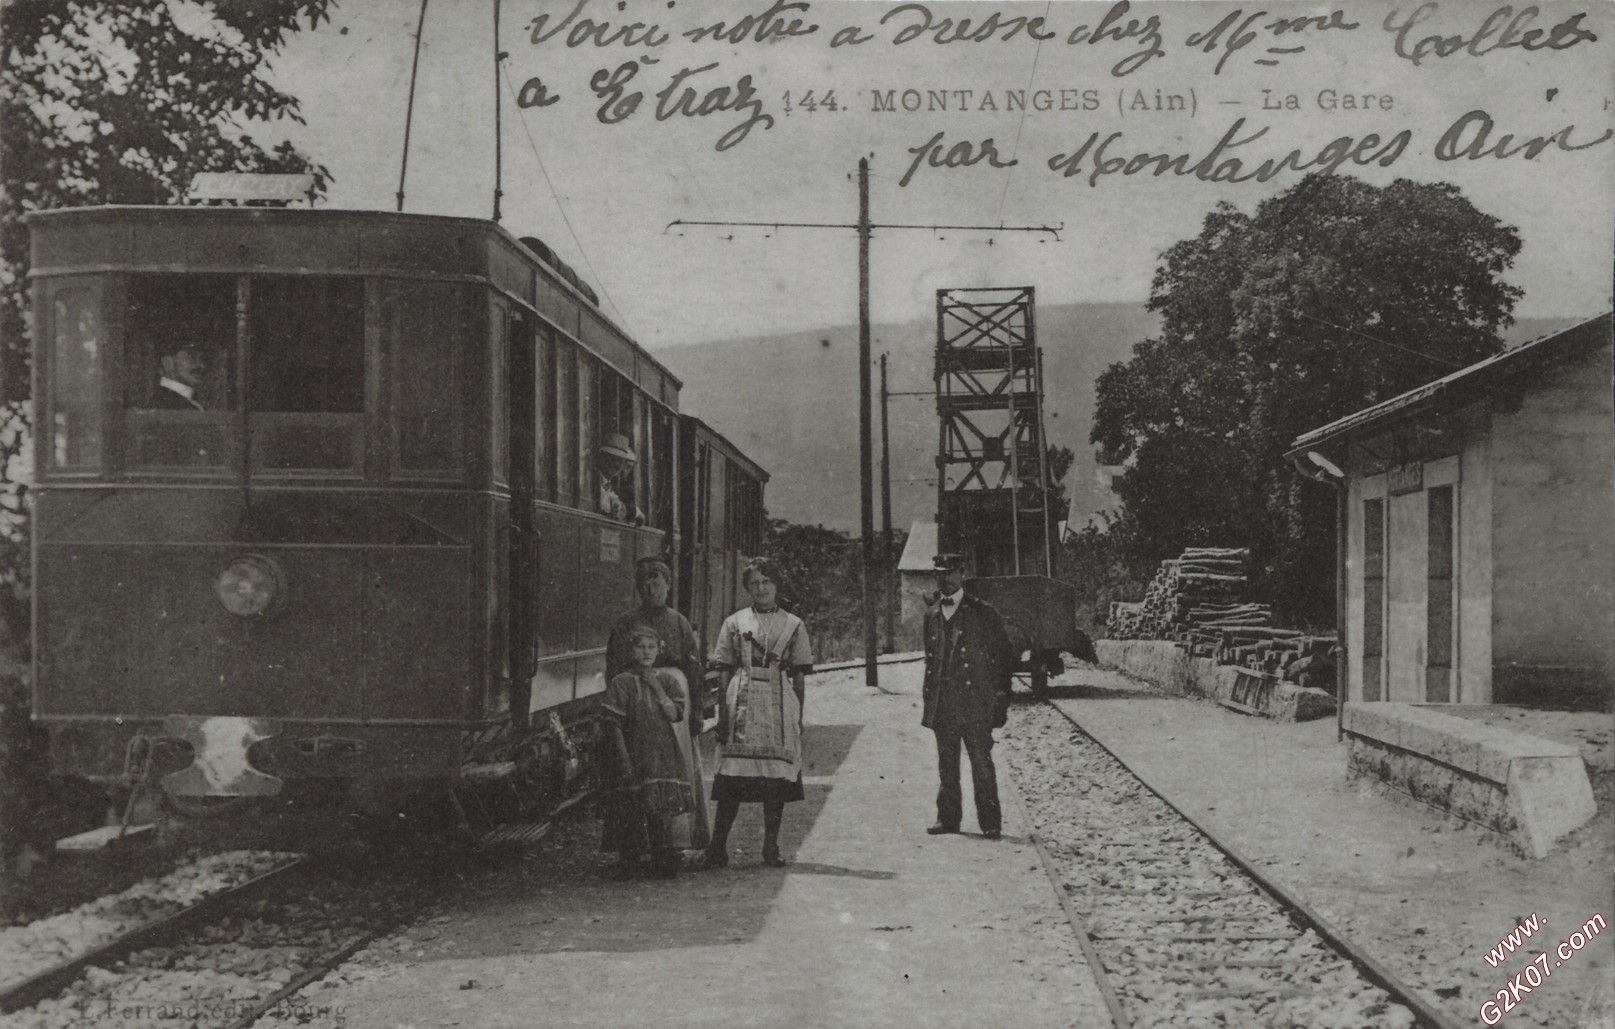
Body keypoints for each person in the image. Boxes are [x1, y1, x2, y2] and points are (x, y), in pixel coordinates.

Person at [703, 557, 813, 869]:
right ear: (747, 588)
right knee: (732, 777)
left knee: (775, 779)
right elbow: (724, 670)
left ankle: (770, 847)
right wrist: (723, 715)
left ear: (776, 586)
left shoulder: (793, 624)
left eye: (767, 582)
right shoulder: (735, 622)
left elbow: (799, 675)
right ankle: (717, 847)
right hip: (741, 697)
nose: (761, 588)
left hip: (779, 704)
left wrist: (798, 716)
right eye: (755, 583)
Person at [606, 556, 710, 852]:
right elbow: (613, 669)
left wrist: (697, 711)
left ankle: (677, 842)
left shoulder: (679, 622)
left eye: (657, 584)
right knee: (635, 771)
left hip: (674, 704)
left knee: (676, 768)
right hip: (634, 703)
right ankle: (633, 845)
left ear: (668, 586)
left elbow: (694, 670)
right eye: (645, 585)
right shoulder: (625, 623)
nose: (651, 590)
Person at [922, 553, 1014, 840]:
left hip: (974, 703)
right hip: (943, 703)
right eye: (940, 573)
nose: (945, 578)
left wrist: (1000, 699)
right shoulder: (932, 614)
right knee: (946, 765)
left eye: (950, 572)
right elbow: (931, 661)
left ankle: (990, 822)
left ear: (962, 574)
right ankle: (948, 819)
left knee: (981, 763)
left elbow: (1003, 658)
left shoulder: (983, 613)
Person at [598, 625, 694, 879]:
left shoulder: (668, 681)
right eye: (640, 647)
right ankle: (630, 860)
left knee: (658, 807)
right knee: (631, 806)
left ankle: (662, 858)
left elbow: (674, 715)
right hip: (633, 750)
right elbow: (613, 724)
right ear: (631, 651)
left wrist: (655, 686)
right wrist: (623, 758)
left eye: (651, 647)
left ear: (659, 650)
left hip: (661, 753)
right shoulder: (621, 682)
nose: (646, 652)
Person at [144, 343, 209, 410]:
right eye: (191, 358)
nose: (202, 366)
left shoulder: (191, 399)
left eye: (202, 359)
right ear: (168, 363)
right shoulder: (164, 404)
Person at [598, 432, 644, 525]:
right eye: (611, 458)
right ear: (602, 458)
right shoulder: (593, 480)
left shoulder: (609, 484)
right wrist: (636, 512)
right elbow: (607, 505)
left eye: (620, 460)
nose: (616, 464)